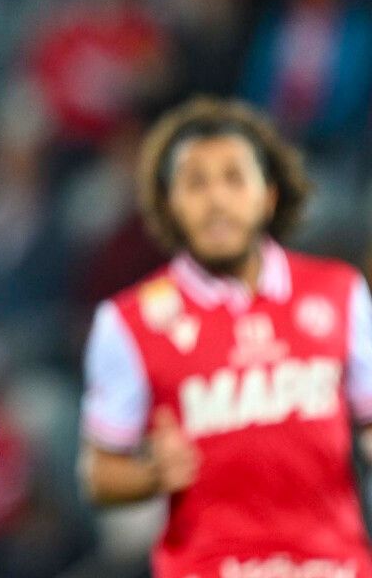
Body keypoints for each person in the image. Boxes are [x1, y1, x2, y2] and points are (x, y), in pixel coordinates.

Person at [79, 96, 372, 578]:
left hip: (333, 567)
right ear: (168, 203)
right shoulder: (128, 322)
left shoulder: (341, 292)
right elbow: (99, 475)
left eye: (234, 178)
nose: (216, 200)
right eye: (195, 183)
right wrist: (152, 475)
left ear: (268, 194)